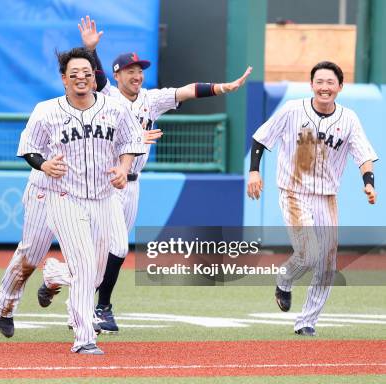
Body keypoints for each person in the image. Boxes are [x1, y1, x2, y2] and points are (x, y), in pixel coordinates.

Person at [78, 16, 252, 332]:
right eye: (130, 71)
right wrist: (90, 50)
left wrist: (222, 87)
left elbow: (186, 91)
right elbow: (97, 76)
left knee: (113, 249)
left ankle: (81, 299)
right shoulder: (107, 96)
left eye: (140, 70)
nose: (137, 75)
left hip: (132, 186)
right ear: (117, 75)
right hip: (105, 183)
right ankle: (98, 306)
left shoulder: (151, 99)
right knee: (107, 248)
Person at [17, 47, 146, 355]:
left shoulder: (114, 108)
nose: (81, 78)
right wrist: (44, 165)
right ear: (64, 79)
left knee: (111, 258)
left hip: (104, 197)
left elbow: (131, 141)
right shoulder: (46, 110)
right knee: (86, 266)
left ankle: (54, 275)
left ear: (94, 77)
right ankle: (84, 338)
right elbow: (29, 148)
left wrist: (124, 167)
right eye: (74, 74)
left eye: (86, 73)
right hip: (66, 197)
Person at [247, 61, 377, 336]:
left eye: (330, 82)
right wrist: (254, 172)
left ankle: (306, 321)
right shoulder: (294, 110)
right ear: (311, 85)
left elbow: (363, 154)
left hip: (326, 197)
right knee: (308, 254)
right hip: (294, 191)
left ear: (340, 87)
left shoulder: (348, 118)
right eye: (319, 81)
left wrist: (369, 183)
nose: (324, 87)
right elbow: (261, 137)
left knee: (328, 264)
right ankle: (285, 279)